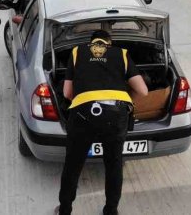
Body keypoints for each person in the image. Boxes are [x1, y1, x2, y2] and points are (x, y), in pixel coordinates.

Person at [56, 30, 148, 215]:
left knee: (73, 164)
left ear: (91, 42)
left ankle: (65, 210)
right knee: (114, 164)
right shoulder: (121, 53)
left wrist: (85, 99)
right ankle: (111, 210)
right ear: (109, 43)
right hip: (115, 114)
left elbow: (66, 93)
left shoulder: (77, 52)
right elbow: (143, 91)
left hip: (83, 114)